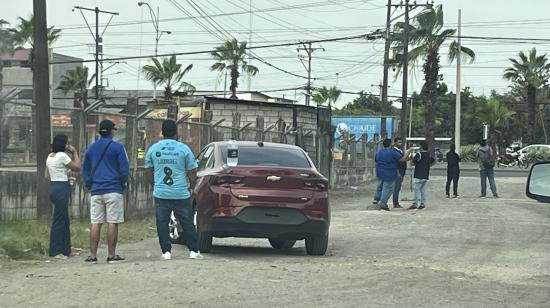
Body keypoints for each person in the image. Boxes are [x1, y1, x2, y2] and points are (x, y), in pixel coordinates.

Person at [144, 119, 203, 260]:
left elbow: (148, 171)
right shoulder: (184, 149)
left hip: (161, 193)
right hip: (180, 193)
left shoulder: (153, 149)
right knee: (187, 222)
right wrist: (191, 187)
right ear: (177, 133)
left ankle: (166, 252)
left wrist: (154, 184)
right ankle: (194, 251)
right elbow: (192, 172)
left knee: (162, 223)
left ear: (162, 133)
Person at [82, 120, 129, 264]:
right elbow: (124, 169)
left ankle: (93, 256)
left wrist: (90, 184)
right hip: (113, 189)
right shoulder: (118, 148)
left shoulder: (91, 148)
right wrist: (121, 183)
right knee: (112, 222)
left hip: (96, 190)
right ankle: (111, 255)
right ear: (112, 131)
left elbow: (85, 169)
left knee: (96, 222)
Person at [45, 134, 81, 259]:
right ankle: (55, 251)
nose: (68, 145)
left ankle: (66, 249)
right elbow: (77, 167)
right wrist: (75, 152)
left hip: (54, 186)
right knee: (59, 220)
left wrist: (59, 173)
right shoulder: (62, 156)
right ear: (63, 144)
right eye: (67, 143)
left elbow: (46, 175)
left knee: (64, 219)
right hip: (61, 187)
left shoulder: (50, 156)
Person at [374, 138, 411, 211]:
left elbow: (376, 160)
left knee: (380, 186)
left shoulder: (379, 152)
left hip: (380, 172)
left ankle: (376, 199)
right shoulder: (392, 152)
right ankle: (383, 204)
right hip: (389, 173)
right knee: (387, 188)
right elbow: (402, 159)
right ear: (391, 144)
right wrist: (409, 151)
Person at [408, 141, 435, 210]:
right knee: (423, 190)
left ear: (421, 147)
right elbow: (433, 162)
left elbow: (412, 163)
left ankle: (415, 203)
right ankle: (423, 204)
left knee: (416, 189)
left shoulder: (419, 154)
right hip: (425, 175)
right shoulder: (428, 155)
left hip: (418, 175)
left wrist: (411, 158)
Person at [392, 138, 407, 208]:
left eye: (401, 142)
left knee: (398, 187)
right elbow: (398, 161)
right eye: (399, 142)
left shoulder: (399, 151)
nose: (400, 144)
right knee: (396, 188)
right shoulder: (394, 151)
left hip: (401, 171)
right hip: (398, 171)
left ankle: (396, 202)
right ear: (395, 143)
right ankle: (395, 203)